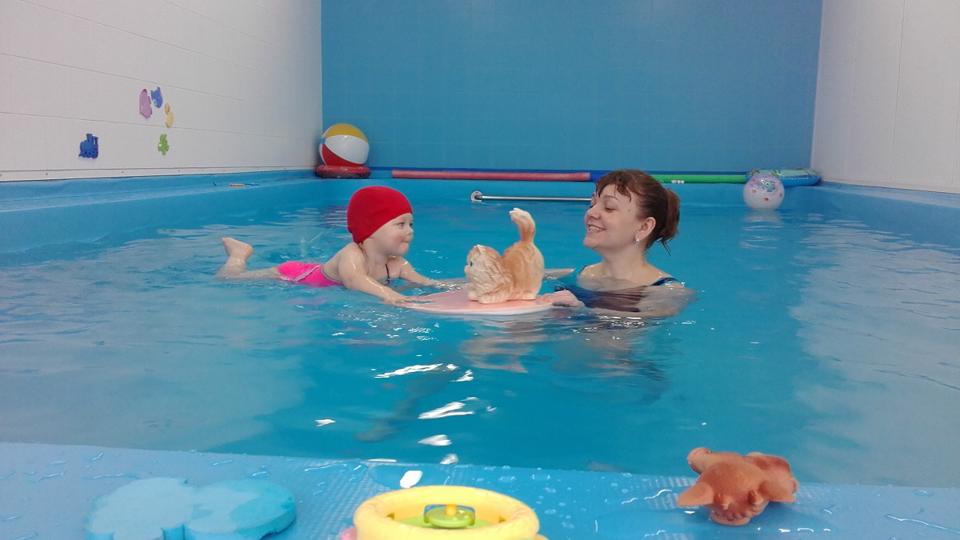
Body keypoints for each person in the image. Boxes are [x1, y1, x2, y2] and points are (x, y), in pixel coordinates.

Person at [217, 186, 438, 305]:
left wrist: (456, 286)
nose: (410, 231)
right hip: (295, 275)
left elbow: (428, 283)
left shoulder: (398, 264)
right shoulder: (352, 254)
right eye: (400, 224)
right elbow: (354, 280)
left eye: (411, 224)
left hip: (320, 275)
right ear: (371, 229)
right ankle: (238, 254)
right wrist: (387, 293)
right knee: (229, 279)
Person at [543, 169, 688, 315]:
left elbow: (635, 324)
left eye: (609, 208)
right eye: (592, 204)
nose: (591, 213)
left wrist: (581, 310)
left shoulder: (666, 293)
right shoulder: (574, 276)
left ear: (644, 227)